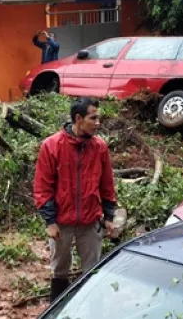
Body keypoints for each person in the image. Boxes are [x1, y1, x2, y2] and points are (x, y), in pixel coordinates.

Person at [33, 97, 118, 301]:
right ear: (78, 119)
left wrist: (109, 216)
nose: (98, 123)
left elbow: (107, 184)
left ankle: (90, 310)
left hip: (90, 221)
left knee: (92, 271)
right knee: (59, 270)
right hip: (62, 222)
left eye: (98, 118)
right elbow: (43, 187)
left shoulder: (100, 147)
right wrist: (50, 222)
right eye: (93, 118)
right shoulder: (52, 146)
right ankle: (57, 309)